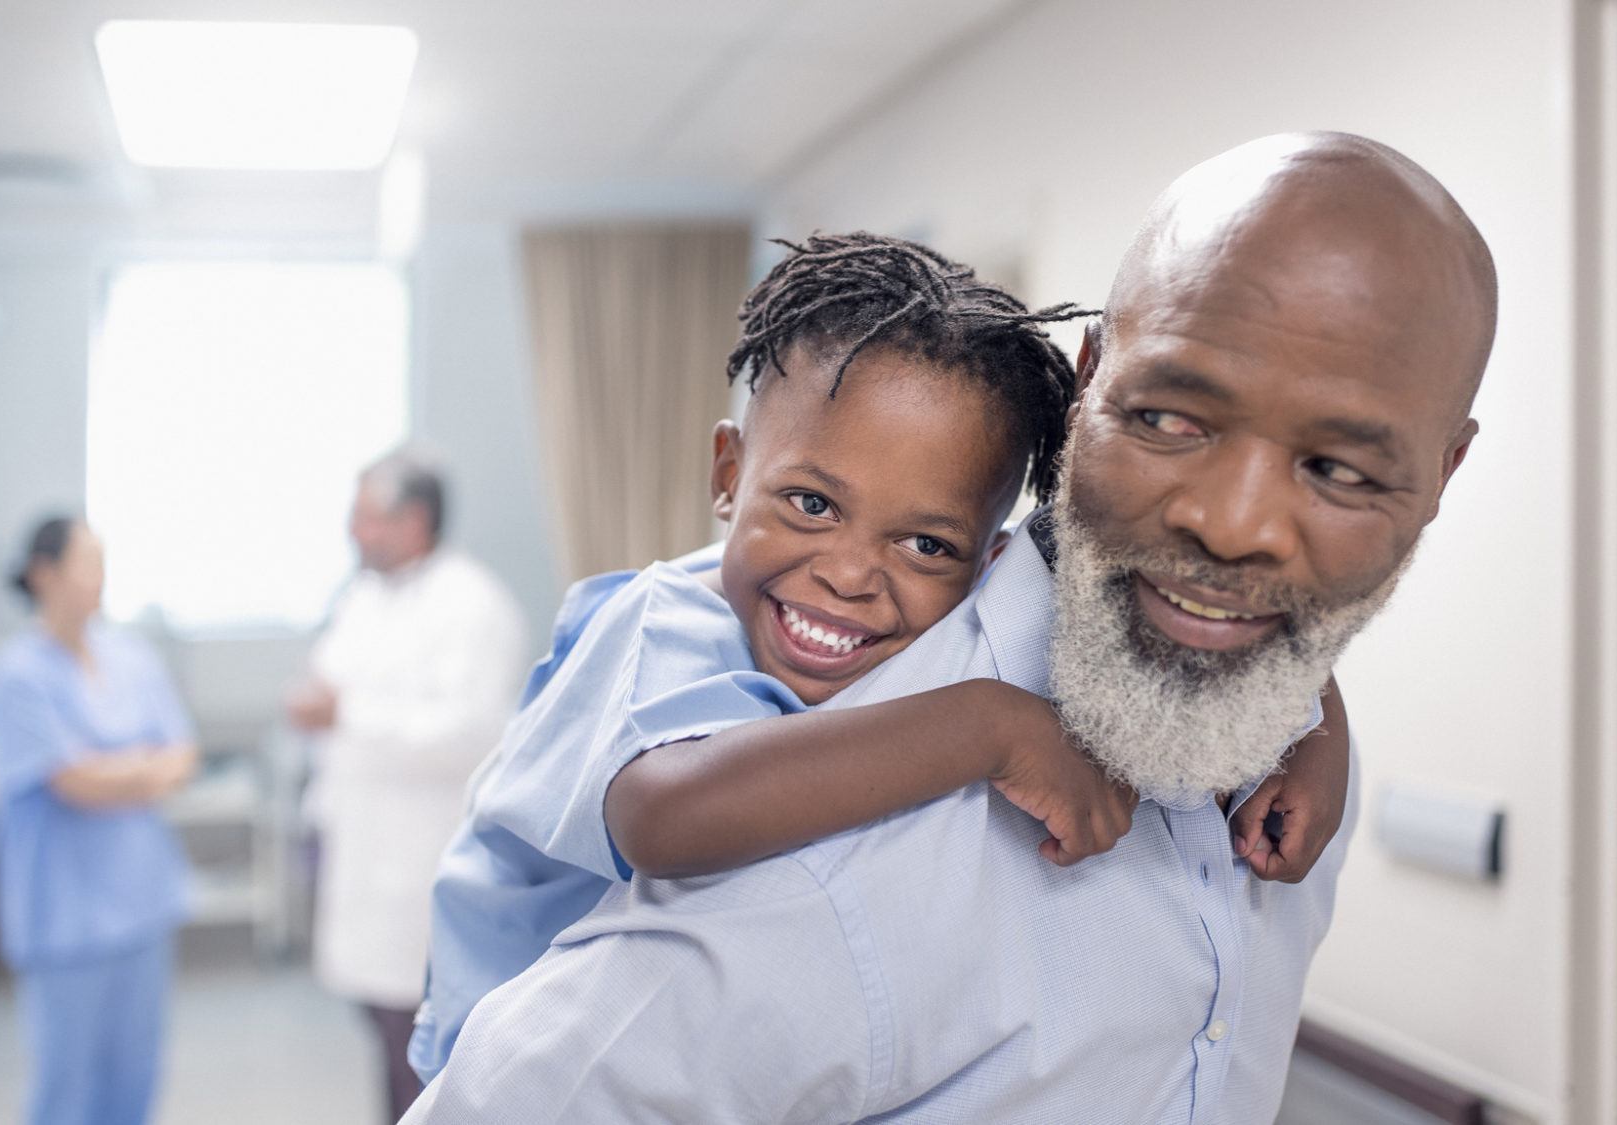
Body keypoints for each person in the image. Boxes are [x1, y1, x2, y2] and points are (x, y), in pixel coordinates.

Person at [405, 131, 1494, 1122]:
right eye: (1167, 418)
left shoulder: (1270, 749)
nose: (1234, 526)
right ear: (1086, 398)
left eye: (1337, 470)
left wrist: (1316, 728)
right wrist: (986, 726)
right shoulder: (811, 823)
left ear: (1439, 475)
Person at [284, 451, 527, 1123]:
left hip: (421, 862)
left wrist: (346, 715)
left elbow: (470, 732)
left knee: (425, 1058)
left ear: (415, 520)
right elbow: (330, 677)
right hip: (362, 857)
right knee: (384, 1041)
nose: (354, 531)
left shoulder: (473, 603)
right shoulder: (363, 594)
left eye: (368, 517)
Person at [0, 516, 199, 1125]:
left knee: (135, 1080)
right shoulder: (17, 673)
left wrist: (113, 770)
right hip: (66, 919)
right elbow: (69, 781)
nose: (99, 579)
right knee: (66, 1090)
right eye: (86, 564)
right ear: (42, 575)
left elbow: (181, 755)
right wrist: (137, 770)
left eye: (103, 564)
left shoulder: (130, 656)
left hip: (142, 905)